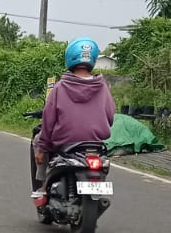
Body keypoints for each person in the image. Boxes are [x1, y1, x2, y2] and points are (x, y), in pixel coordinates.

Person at [32, 37, 114, 198]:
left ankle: (42, 186)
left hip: (65, 142)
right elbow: (110, 116)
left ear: (70, 58)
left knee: (37, 140)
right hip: (95, 144)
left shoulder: (60, 87)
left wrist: (42, 148)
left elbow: (49, 121)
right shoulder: (102, 86)